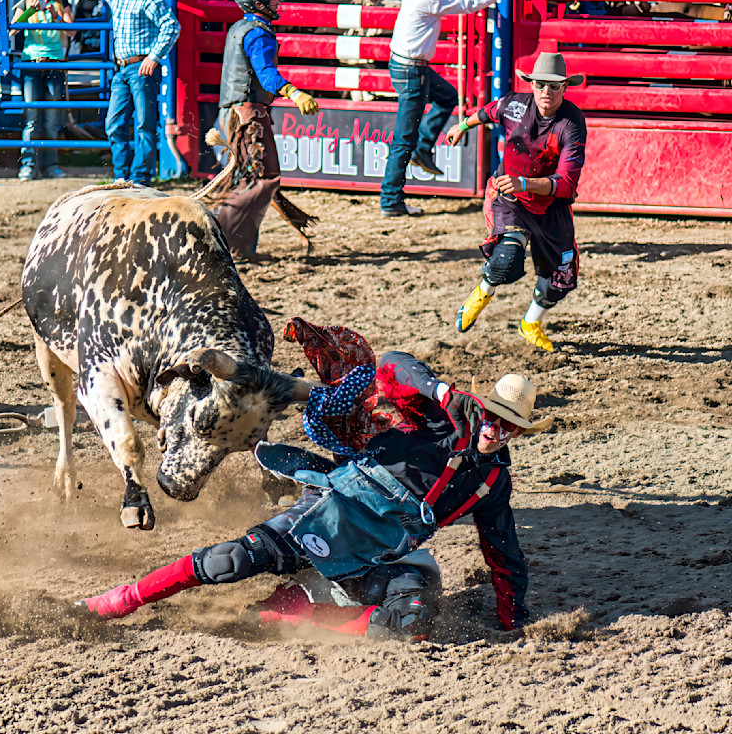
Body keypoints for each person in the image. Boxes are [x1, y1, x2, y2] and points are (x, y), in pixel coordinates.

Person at [79, 351, 553, 640]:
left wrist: (514, 617)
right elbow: (391, 365)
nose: (495, 428)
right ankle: (119, 600)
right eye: (492, 415)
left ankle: (296, 611)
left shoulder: (492, 483)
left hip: (380, 554)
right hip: (329, 513)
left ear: (516, 432)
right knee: (228, 563)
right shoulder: (435, 418)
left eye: (507, 424)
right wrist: (443, 391)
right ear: (479, 408)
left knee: (410, 625)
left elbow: (503, 550)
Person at [379, 0, 531, 217]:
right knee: (404, 137)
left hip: (409, 65)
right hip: (413, 70)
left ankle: (421, 150)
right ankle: (391, 199)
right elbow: (470, 2)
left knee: (446, 97)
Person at [447, 52, 587, 352]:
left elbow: (566, 183)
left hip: (550, 206)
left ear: (565, 87)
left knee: (562, 277)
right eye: (540, 85)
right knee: (506, 257)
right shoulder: (513, 106)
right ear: (531, 85)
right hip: (510, 198)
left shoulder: (571, 123)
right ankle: (482, 292)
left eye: (554, 86)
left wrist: (526, 182)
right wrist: (462, 126)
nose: (546, 92)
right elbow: (488, 111)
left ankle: (531, 323)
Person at [214, 0, 320, 260]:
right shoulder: (258, 34)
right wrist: (294, 93)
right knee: (261, 180)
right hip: (248, 115)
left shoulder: (240, 28)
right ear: (258, 3)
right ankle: (222, 240)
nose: (277, 2)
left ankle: (241, 247)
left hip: (234, 113)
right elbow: (267, 75)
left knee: (249, 179)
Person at [67, 0, 180, 185]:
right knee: (115, 124)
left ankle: (138, 178)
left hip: (141, 66)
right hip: (124, 67)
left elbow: (172, 26)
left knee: (142, 125)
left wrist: (153, 56)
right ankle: (123, 176)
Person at [10, 0, 74, 180]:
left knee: (52, 119)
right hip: (31, 64)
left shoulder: (60, 4)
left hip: (54, 64)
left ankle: (50, 166)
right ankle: (27, 165)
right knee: (32, 117)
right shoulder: (24, 4)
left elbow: (73, 31)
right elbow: (12, 30)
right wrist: (31, 10)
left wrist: (54, 15)